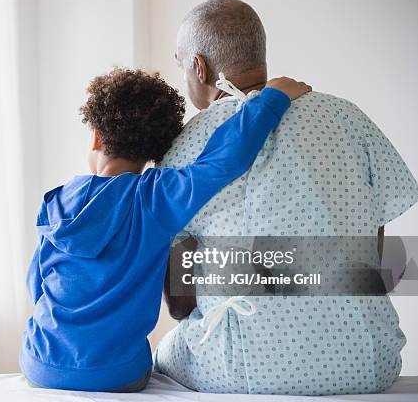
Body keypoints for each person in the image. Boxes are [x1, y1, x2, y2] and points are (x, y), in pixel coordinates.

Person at [154, 0, 418, 395]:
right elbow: (374, 255)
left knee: (161, 354)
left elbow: (181, 303)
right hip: (367, 362)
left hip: (239, 368)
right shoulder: (348, 117)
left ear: (200, 66)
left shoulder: (184, 145)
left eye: (182, 64)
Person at [19, 67, 310, 392]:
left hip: (39, 363)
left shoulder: (55, 202)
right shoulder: (154, 197)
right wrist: (273, 98)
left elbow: (36, 285)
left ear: (97, 136)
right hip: (117, 374)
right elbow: (221, 161)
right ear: (154, 151)